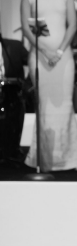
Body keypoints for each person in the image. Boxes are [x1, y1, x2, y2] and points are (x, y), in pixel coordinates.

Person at [20, 0, 77, 172]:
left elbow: (73, 25)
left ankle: (71, 159)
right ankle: (44, 160)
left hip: (63, 58)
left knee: (65, 105)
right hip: (38, 57)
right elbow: (27, 29)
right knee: (44, 107)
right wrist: (44, 51)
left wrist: (58, 51)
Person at [0, 31, 28, 166]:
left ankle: (12, 149)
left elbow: (32, 61)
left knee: (15, 109)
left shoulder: (15, 46)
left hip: (11, 91)